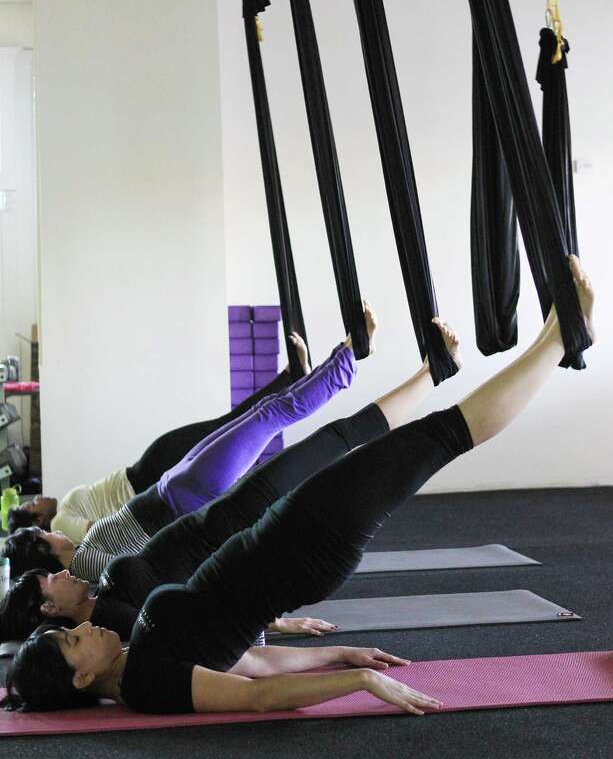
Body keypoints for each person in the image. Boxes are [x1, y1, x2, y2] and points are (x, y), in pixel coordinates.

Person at [3, 257, 595, 716]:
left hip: (279, 534)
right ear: (82, 677)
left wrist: (338, 653)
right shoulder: (146, 683)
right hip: (301, 548)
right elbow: (258, 693)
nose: (80, 628)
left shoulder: (135, 656)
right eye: (72, 641)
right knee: (434, 441)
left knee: (425, 442)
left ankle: (553, 340)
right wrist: (358, 680)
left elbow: (250, 658)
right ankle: (558, 339)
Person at [1, 312, 449, 643]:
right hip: (193, 500)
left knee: (267, 417)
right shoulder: (95, 575)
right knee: (286, 423)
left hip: (177, 491)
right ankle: (354, 357)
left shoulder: (92, 571)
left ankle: (357, 363)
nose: (51, 542)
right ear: (48, 604)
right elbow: (195, 587)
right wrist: (269, 624)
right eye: (48, 575)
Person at [5, 313, 376, 583]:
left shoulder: (84, 556)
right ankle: (346, 360)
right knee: (269, 417)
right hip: (185, 498)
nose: (53, 532)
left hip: (173, 488)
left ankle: (332, 364)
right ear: (46, 548)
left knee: (263, 415)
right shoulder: (85, 564)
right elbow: (152, 572)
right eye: (44, 537)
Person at [7, 337, 312, 542]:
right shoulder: (60, 524)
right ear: (36, 522)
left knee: (227, 425)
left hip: (149, 471)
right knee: (230, 426)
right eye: (33, 504)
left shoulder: (64, 513)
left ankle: (292, 377)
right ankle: (293, 378)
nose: (37, 498)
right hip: (151, 480)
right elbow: (101, 533)